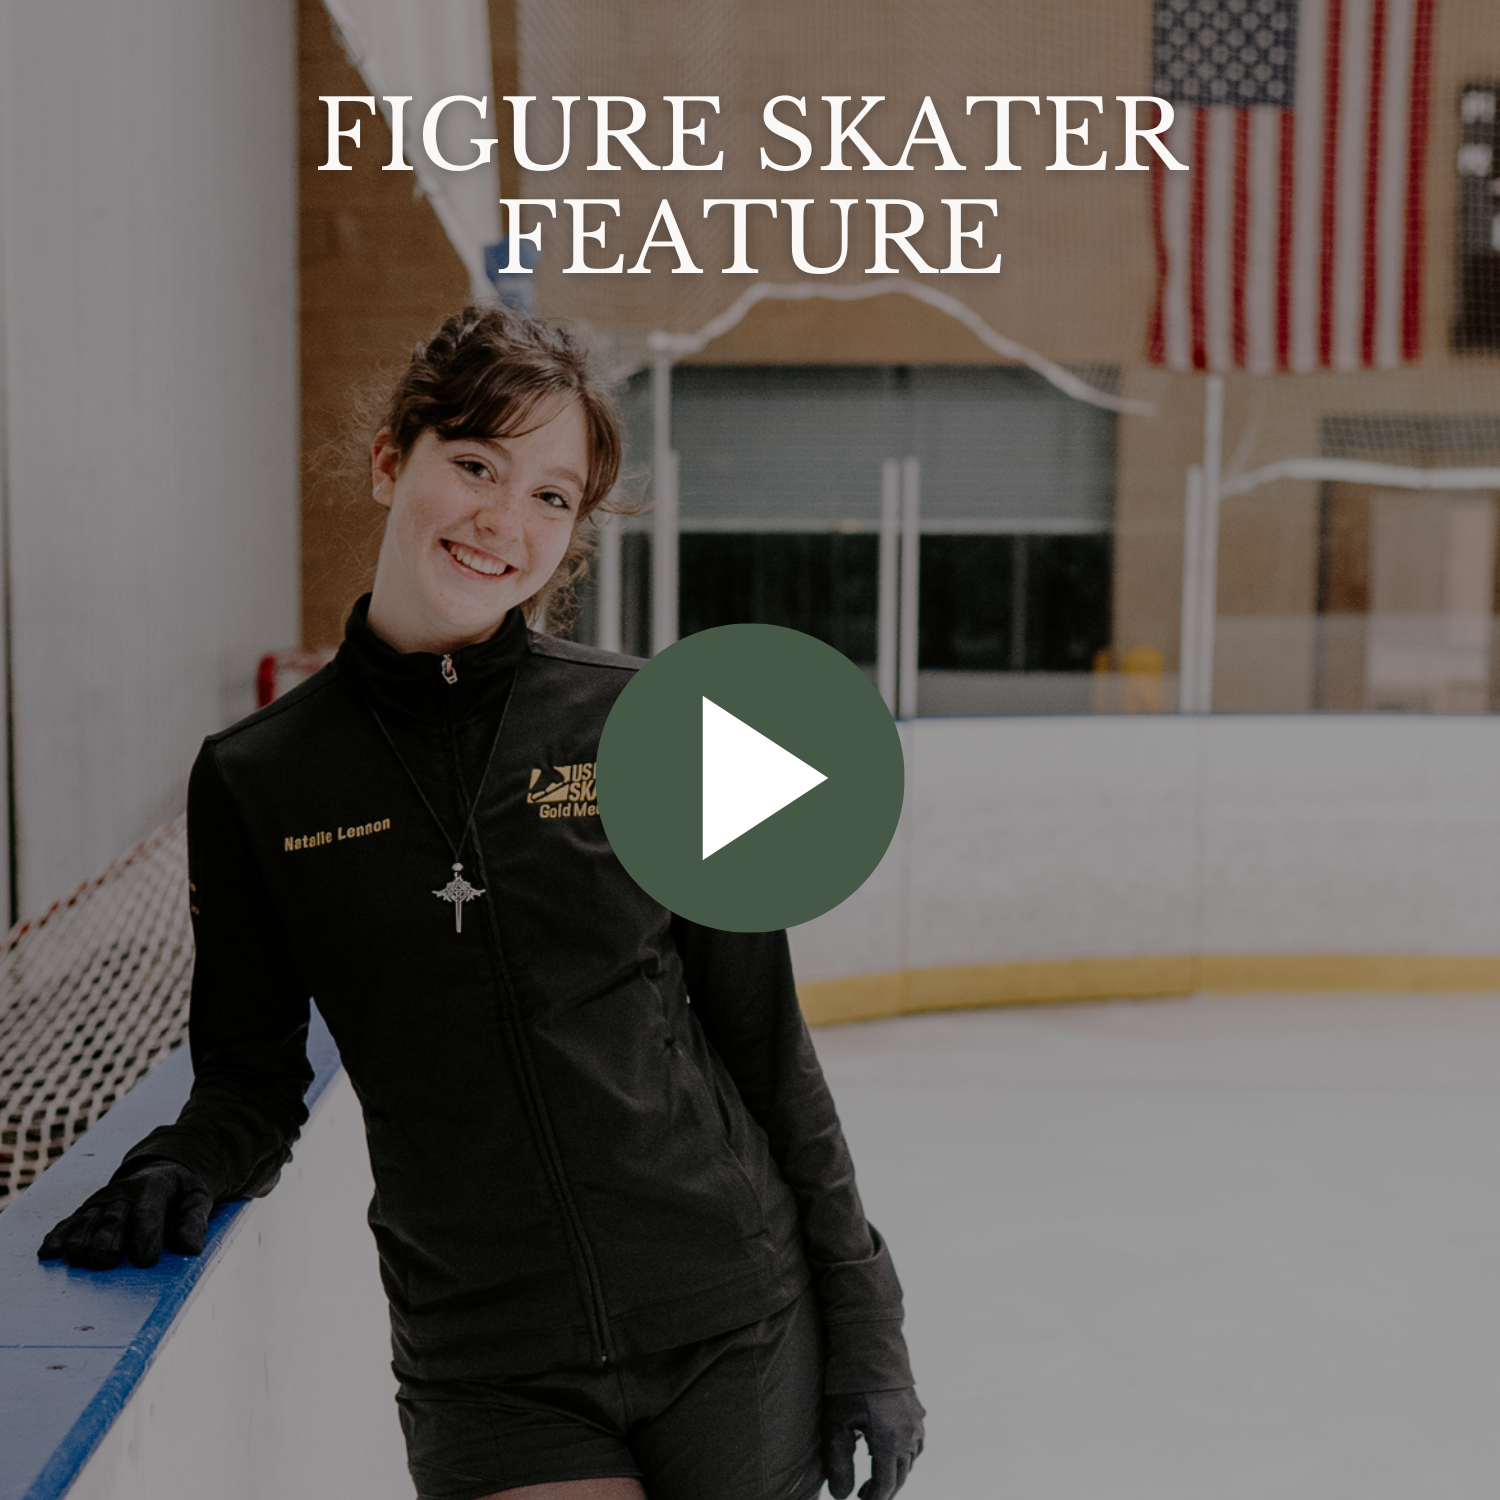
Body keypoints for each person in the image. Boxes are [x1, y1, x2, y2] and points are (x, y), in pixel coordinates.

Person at [38, 306, 924, 1500]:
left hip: (733, 1316)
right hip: (489, 1359)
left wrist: (865, 1319)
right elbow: (250, 1077)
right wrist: (184, 1161)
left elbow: (767, 1052)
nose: (506, 523)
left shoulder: (653, 726)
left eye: (553, 498)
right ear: (392, 458)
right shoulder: (258, 780)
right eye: (476, 466)